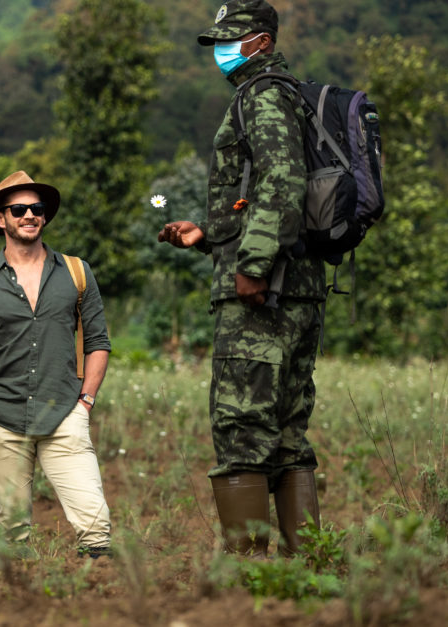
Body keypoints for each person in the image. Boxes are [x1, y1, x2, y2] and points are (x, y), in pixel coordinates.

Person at [157, 0, 323, 558]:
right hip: (295, 285)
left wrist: (251, 266)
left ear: (262, 41)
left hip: (265, 290)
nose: (222, 52)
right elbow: (262, 192)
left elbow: (282, 180)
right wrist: (209, 236)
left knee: (242, 429)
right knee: (287, 434)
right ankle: (307, 566)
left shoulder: (263, 95)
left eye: (232, 40)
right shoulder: (280, 96)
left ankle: (250, 578)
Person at [0, 171, 113, 558]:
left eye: (36, 209)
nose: (29, 215)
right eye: (18, 209)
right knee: (13, 535)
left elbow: (98, 342)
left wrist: (85, 401)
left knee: (96, 527)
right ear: (1, 219)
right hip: (3, 416)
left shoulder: (76, 272)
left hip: (64, 410)